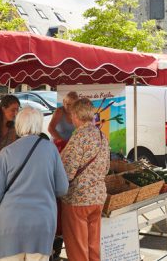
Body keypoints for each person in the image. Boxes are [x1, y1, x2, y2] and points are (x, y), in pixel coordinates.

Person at [0, 107, 69, 261]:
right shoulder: (51, 150)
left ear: (18, 125)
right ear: (38, 125)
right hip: (42, 223)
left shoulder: (6, 153)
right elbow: (62, 189)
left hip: (10, 224)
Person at [60, 98, 110, 261]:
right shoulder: (102, 136)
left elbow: (66, 173)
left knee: (78, 250)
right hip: (97, 198)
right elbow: (107, 168)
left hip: (78, 200)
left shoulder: (78, 137)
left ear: (76, 115)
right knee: (93, 247)